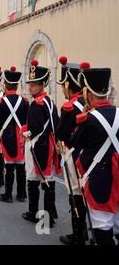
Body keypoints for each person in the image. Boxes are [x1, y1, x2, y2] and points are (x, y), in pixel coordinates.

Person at [71, 62, 119, 245]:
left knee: (102, 226)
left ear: (89, 94)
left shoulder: (88, 120)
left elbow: (75, 143)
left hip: (100, 181)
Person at [21, 60, 61, 227]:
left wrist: (25, 132)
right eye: (30, 84)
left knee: (33, 180)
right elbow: (56, 123)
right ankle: (49, 216)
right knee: (48, 180)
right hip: (49, 145)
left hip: (37, 145)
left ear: (42, 85)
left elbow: (35, 128)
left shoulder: (36, 104)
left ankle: (33, 213)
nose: (30, 87)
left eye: (34, 84)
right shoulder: (49, 102)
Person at [55, 57, 88, 245]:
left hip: (73, 156)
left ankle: (78, 235)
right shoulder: (87, 103)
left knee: (75, 194)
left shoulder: (68, 107)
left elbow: (61, 133)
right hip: (89, 158)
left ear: (68, 84)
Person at [0, 66, 29, 203]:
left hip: (7, 136)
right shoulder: (24, 102)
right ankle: (21, 194)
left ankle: (8, 194)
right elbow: (27, 120)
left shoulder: (1, 103)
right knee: (20, 165)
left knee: (9, 165)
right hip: (21, 137)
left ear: (6, 85)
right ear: (17, 85)